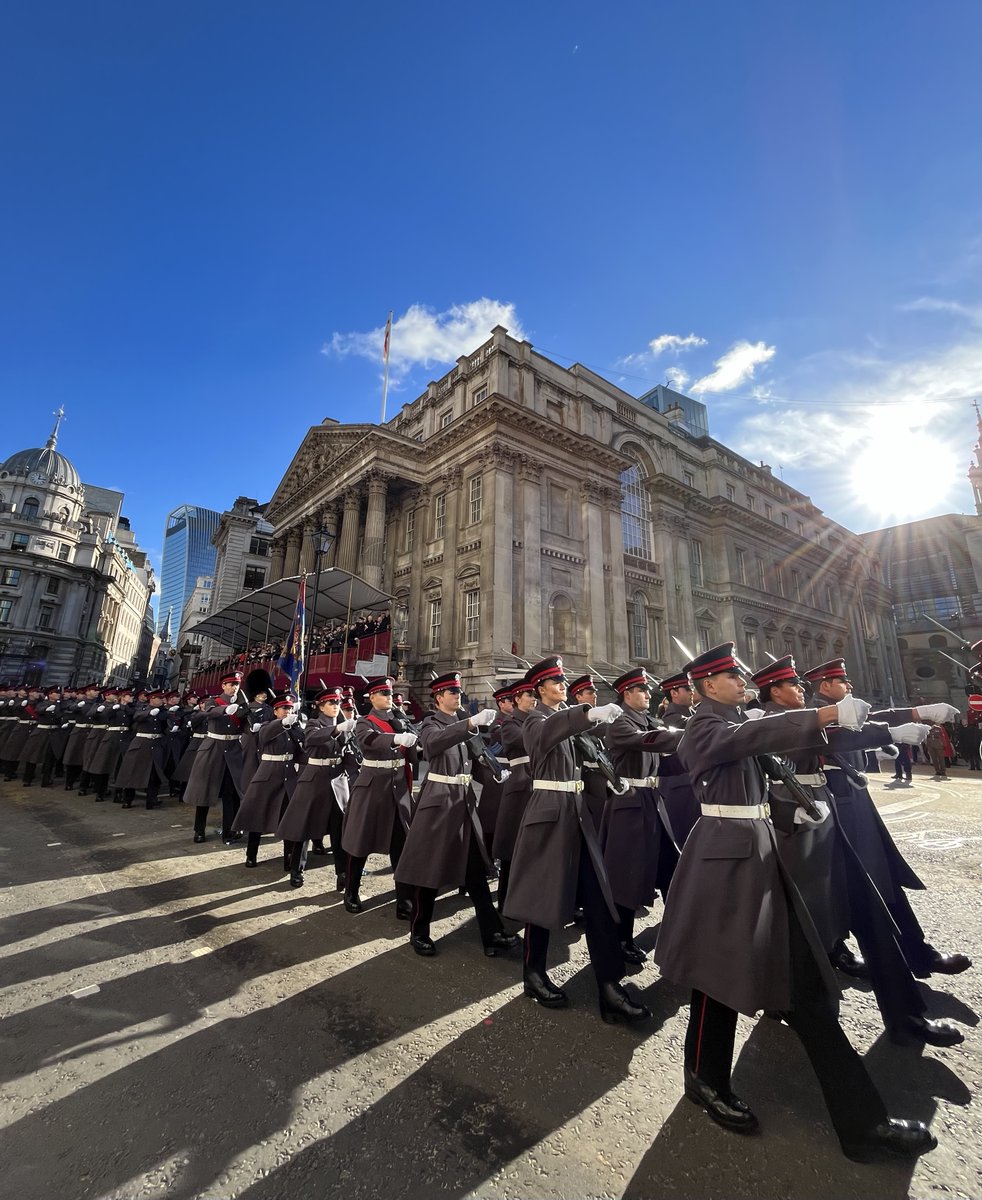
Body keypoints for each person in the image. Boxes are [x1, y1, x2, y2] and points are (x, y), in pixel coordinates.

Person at [654, 643, 936, 1162]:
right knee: (716, 983)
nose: (743, 682)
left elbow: (771, 769)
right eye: (732, 677)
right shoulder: (703, 725)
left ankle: (863, 1125)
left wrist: (790, 816)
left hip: (763, 856)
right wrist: (826, 711)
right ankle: (705, 1077)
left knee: (807, 989)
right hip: (722, 864)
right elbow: (751, 737)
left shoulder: (739, 721)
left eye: (741, 675)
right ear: (706, 685)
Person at [751, 656, 961, 1048]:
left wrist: (900, 721)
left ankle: (905, 1016)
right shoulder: (769, 720)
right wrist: (892, 733)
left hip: (828, 822)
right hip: (797, 832)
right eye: (792, 685)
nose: (801, 689)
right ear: (773, 691)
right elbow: (838, 737)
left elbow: (850, 723)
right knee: (800, 929)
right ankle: (784, 999)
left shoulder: (804, 713)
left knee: (872, 915)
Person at [803, 658, 970, 980]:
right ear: (824, 687)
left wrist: (915, 714)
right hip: (835, 807)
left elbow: (871, 719)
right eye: (842, 681)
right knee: (851, 888)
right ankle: (839, 955)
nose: (849, 686)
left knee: (884, 880)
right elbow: (840, 735)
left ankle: (917, 953)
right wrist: (888, 734)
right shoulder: (815, 715)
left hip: (855, 803)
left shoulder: (845, 712)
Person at [503, 656, 650, 1024]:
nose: (562, 686)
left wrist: (610, 720)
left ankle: (609, 987)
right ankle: (533, 974)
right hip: (549, 812)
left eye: (562, 681)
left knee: (599, 901)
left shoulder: (568, 719)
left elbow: (598, 741)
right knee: (542, 896)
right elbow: (551, 731)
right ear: (539, 689)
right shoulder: (536, 722)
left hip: (578, 812)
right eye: (556, 682)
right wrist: (587, 713)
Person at [394, 672, 518, 958]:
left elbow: (474, 765)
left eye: (458, 691)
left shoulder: (465, 729)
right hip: (438, 804)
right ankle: (419, 932)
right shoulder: (431, 724)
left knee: (475, 873)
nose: (457, 695)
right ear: (438, 698)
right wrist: (470, 723)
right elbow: (435, 744)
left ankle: (492, 933)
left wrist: (496, 777)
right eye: (451, 691)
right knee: (429, 872)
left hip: (463, 804)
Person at [602, 668, 683, 963]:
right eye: (642, 690)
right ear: (626, 694)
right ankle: (620, 938)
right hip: (630, 806)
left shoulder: (645, 720)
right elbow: (648, 740)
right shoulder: (620, 723)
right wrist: (691, 734)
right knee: (628, 877)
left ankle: (680, 931)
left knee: (670, 869)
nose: (649, 694)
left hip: (652, 802)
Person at [340, 677, 417, 916]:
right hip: (373, 787)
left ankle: (404, 899)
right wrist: (395, 738)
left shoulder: (399, 719)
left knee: (401, 844)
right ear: (372, 697)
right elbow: (368, 740)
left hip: (398, 788)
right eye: (383, 693)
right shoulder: (365, 721)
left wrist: (416, 742)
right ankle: (351, 891)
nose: (388, 698)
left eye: (390, 693)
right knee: (361, 841)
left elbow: (414, 747)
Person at [276, 688, 356, 889]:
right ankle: (296, 870)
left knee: (340, 829)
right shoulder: (314, 724)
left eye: (337, 703)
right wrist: (337, 730)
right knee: (304, 827)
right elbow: (311, 739)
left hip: (337, 780)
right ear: (321, 706)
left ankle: (343, 873)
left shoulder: (342, 724)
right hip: (315, 779)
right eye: (331, 703)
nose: (336, 706)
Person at [236, 693, 305, 874]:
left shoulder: (293, 728)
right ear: (275, 711)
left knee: (289, 818)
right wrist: (283, 724)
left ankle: (289, 859)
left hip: (288, 776)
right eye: (284, 708)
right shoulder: (268, 725)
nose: (287, 711)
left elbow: (301, 748)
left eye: (290, 708)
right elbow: (265, 734)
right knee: (258, 817)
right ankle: (252, 854)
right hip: (268, 774)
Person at [182, 672, 248, 844]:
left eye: (237, 684)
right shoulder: (214, 701)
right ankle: (199, 830)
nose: (234, 687)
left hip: (233, 750)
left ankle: (229, 831)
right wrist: (225, 709)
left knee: (231, 793)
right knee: (204, 790)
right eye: (231, 684)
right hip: (213, 749)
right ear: (223, 686)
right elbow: (209, 712)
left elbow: (246, 725)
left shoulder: (242, 704)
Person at [491, 678, 536, 914]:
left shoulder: (536, 720)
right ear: (518, 699)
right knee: (511, 847)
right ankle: (505, 898)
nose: (534, 698)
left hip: (536, 787)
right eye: (529, 695)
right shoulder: (509, 724)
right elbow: (524, 740)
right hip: (519, 788)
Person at [654, 671, 700, 846]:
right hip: (680, 789)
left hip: (693, 787)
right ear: (674, 693)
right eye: (687, 688)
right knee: (684, 841)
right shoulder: (672, 719)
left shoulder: (692, 714)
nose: (691, 691)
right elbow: (692, 727)